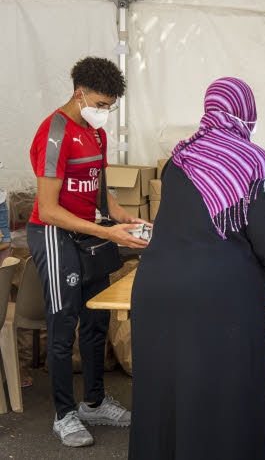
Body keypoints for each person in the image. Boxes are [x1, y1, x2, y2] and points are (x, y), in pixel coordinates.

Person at [128, 77, 265, 460]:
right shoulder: (255, 163)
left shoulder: (180, 159)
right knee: (221, 398)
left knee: (164, 393)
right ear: (247, 112)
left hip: (156, 292)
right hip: (216, 304)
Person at [26, 57, 149, 448]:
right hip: (54, 234)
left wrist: (124, 217)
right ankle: (64, 415)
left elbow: (99, 188)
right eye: (100, 104)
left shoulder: (95, 134)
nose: (104, 113)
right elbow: (48, 209)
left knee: (95, 322)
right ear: (80, 94)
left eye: (110, 106)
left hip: (90, 233)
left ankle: (93, 402)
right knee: (63, 328)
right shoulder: (54, 133)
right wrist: (109, 233)